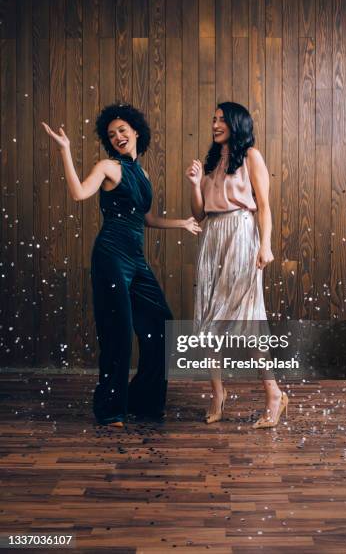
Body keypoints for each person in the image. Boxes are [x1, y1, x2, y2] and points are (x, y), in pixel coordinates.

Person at [42, 103, 201, 427]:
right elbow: (78, 193)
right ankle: (110, 409)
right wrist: (66, 150)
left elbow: (145, 219)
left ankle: (142, 401)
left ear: (136, 132)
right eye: (112, 134)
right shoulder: (107, 167)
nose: (117, 137)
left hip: (136, 259)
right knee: (118, 334)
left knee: (161, 324)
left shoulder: (140, 173)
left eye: (123, 131)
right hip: (111, 256)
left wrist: (181, 224)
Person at [185, 102, 288, 428]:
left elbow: (264, 206)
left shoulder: (251, 157)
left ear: (236, 123)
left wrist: (266, 245)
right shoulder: (212, 162)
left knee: (248, 321)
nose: (215, 124)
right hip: (213, 238)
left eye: (221, 120)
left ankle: (274, 395)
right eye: (213, 119)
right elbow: (200, 215)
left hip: (241, 236)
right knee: (208, 321)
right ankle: (218, 393)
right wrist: (194, 183)